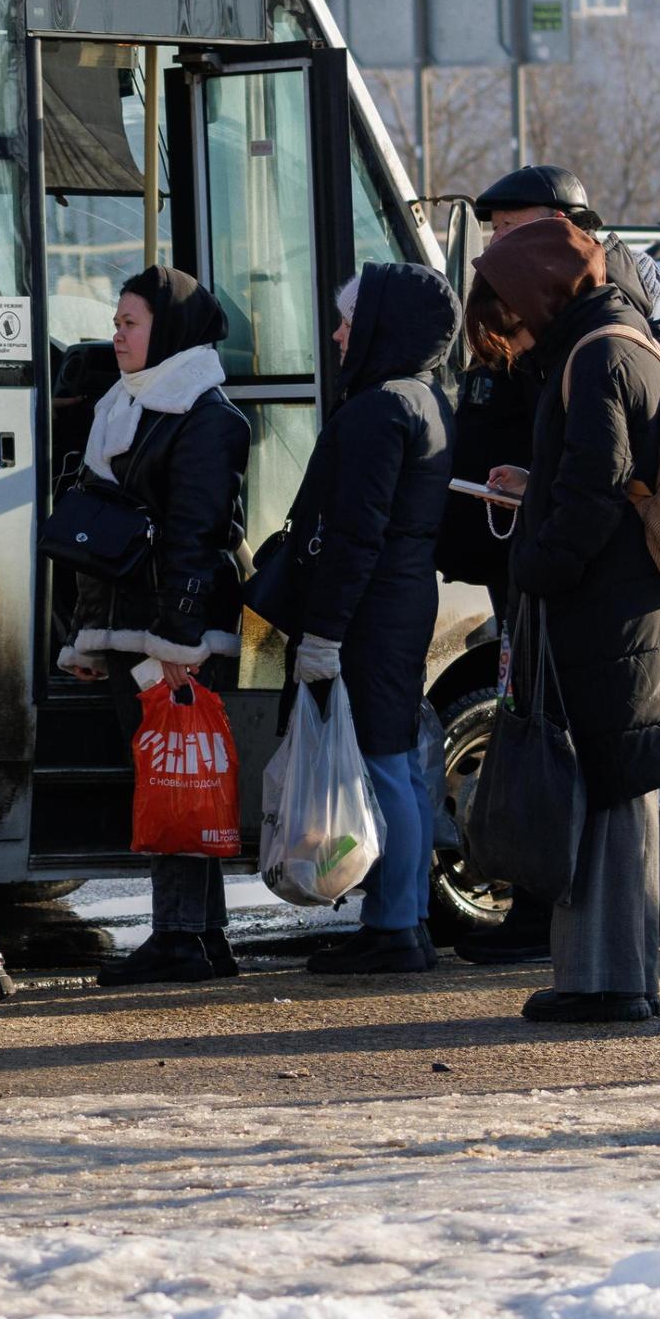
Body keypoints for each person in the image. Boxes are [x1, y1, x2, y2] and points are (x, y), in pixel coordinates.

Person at [467, 216, 660, 1022]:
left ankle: (609, 983)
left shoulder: (600, 355)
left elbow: (595, 491)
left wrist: (537, 566)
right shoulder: (613, 340)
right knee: (616, 788)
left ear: (541, 293)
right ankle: (610, 978)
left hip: (609, 610)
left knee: (611, 792)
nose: (508, 334)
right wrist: (538, 482)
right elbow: (598, 478)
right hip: (630, 604)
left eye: (506, 315)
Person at [257, 263, 458, 975]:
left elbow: (355, 533)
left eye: (350, 320)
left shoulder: (380, 408)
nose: (339, 334)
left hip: (372, 610)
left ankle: (395, 925)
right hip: (401, 600)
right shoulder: (426, 398)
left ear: (384, 326)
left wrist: (324, 633)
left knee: (379, 760)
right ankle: (406, 915)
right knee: (394, 757)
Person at [62, 269, 252, 988]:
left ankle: (180, 937)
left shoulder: (205, 418)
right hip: (126, 627)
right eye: (115, 320)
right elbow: (93, 534)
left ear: (168, 331)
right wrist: (85, 635)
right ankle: (203, 935)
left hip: (170, 632)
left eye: (131, 322)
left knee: (175, 774)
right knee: (176, 773)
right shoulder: (123, 404)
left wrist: (182, 643)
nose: (116, 334)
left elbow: (197, 537)